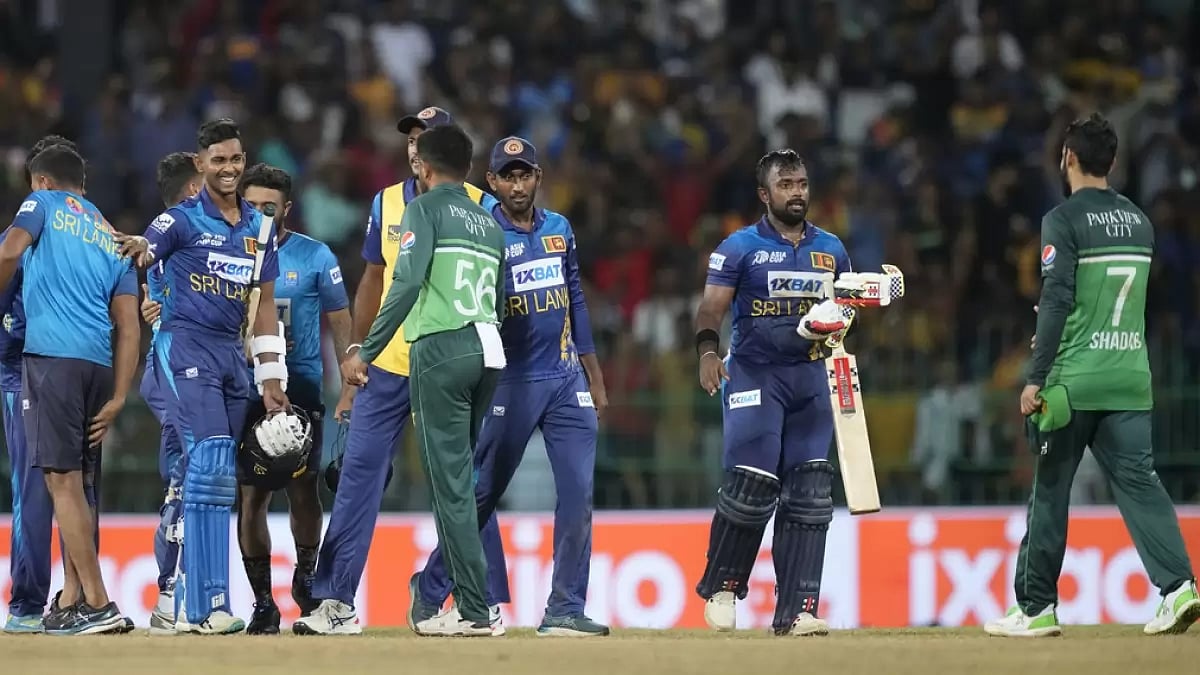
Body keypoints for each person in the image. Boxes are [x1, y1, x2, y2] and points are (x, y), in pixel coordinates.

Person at [294, 107, 507, 636]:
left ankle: (462, 595)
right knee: (358, 477)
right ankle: (335, 601)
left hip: (441, 352)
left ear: (440, 153)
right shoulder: (386, 202)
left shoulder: (481, 205)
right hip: (390, 363)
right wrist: (358, 353)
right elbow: (375, 279)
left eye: (423, 139)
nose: (413, 147)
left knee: (465, 481)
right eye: (410, 137)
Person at [985, 113, 1200, 638]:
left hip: (1074, 382)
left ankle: (1036, 608)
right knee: (1141, 486)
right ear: (1114, 162)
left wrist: (1036, 376)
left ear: (1069, 159)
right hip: (1129, 377)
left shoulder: (1062, 220)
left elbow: (1058, 298)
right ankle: (1180, 589)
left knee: (1051, 490)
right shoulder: (1140, 221)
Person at [410, 137, 609, 637]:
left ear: (538, 177)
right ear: (491, 183)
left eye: (526, 175)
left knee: (579, 493)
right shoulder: (483, 230)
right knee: (481, 492)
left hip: (566, 380)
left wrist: (593, 373)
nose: (518, 185)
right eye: (507, 176)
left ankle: (564, 607)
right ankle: (432, 587)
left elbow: (576, 302)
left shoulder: (560, 229)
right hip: (509, 379)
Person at [116, 118, 289, 635]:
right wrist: (141, 260)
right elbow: (148, 248)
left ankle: (178, 594)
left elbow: (263, 308)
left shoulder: (261, 226)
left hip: (233, 358)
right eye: (218, 160)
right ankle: (207, 607)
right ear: (200, 164)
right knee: (210, 462)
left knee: (211, 479)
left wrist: (272, 375)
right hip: (185, 346)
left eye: (236, 159)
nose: (229, 168)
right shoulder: (181, 220)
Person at [693, 149, 853, 637]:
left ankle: (798, 609)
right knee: (753, 482)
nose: (797, 192)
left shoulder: (833, 250)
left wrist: (845, 314)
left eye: (802, 183)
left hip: (811, 378)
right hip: (754, 375)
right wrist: (706, 354)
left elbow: (847, 310)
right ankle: (723, 586)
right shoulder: (739, 247)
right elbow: (710, 311)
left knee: (810, 491)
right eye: (786, 185)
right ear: (765, 195)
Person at [0, 145, 140, 635]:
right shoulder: (110, 233)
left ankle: (98, 602)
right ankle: (73, 599)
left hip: (52, 361)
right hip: (99, 367)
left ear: (40, 181)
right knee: (80, 484)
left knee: (59, 482)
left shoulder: (41, 205)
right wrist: (121, 395)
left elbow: (9, 249)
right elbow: (128, 325)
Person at [231, 163, 352, 634]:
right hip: (242, 387)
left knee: (304, 490)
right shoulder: (228, 251)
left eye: (270, 208)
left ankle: (306, 579)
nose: (261, 216)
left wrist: (348, 381)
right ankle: (263, 602)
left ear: (286, 210)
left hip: (300, 385)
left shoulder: (316, 256)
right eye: (253, 206)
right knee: (252, 497)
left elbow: (340, 320)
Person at [2, 135, 81, 634]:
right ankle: (37, 601)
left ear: (42, 185)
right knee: (55, 485)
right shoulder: (87, 231)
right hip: (33, 371)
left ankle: (41, 603)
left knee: (48, 485)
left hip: (40, 369)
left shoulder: (34, 227)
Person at [139, 151, 203, 634]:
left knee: (189, 477)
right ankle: (171, 595)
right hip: (174, 364)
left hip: (177, 362)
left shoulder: (182, 235)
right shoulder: (178, 231)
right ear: (192, 191)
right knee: (188, 473)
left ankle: (178, 592)